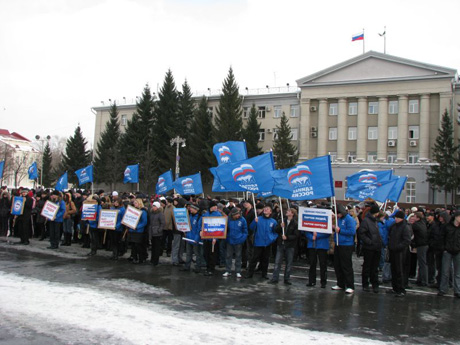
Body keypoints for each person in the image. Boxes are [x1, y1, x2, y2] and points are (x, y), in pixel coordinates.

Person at [246, 205, 278, 280]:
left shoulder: (273, 221)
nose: (266, 210)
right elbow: (251, 228)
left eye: (268, 209)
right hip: (258, 242)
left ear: (270, 212)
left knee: (265, 260)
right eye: (265, 209)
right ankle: (249, 274)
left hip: (267, 244)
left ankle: (264, 274)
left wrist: (272, 238)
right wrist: (254, 222)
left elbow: (275, 232)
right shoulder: (258, 219)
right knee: (254, 259)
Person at [331, 203, 357, 294]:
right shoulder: (338, 219)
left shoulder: (349, 219)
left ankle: (350, 285)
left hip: (346, 245)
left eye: (338, 213)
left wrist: (340, 231)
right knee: (337, 265)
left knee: (346, 266)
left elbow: (352, 231)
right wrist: (334, 228)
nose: (337, 215)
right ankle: (340, 283)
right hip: (338, 244)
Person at [269, 208, 298, 285]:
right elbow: (276, 230)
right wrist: (280, 226)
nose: (286, 212)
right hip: (281, 244)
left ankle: (287, 278)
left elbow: (296, 235)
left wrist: (287, 237)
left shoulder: (295, 223)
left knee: (289, 263)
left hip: (290, 245)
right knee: (277, 262)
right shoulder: (282, 221)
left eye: (288, 211)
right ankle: (275, 278)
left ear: (292, 213)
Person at [358, 204, 383, 293]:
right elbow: (362, 233)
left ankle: (374, 284)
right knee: (367, 267)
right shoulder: (366, 221)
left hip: (377, 247)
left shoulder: (376, 221)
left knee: (374, 267)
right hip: (369, 247)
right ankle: (365, 284)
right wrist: (369, 241)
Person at [388, 210, 412, 297]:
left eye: (398, 218)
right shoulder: (394, 226)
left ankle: (401, 289)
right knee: (393, 270)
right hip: (393, 251)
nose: (396, 219)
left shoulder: (405, 227)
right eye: (395, 218)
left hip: (401, 252)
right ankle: (395, 288)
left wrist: (398, 247)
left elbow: (407, 240)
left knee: (400, 270)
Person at [438, 211, 460, 298]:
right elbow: (441, 238)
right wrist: (444, 249)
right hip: (448, 251)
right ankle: (443, 289)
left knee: (457, 273)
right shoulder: (447, 227)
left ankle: (457, 290)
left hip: (458, 251)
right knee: (445, 271)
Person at [223, 207, 248, 279]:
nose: (238, 215)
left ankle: (238, 271)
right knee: (228, 256)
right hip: (230, 240)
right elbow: (224, 229)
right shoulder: (228, 219)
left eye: (239, 214)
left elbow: (245, 231)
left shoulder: (242, 220)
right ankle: (228, 270)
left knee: (238, 256)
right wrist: (226, 237)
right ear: (233, 215)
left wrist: (242, 239)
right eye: (237, 214)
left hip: (239, 241)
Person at [201, 201, 223, 276]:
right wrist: (200, 231)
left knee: (212, 254)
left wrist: (216, 238)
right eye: (214, 206)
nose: (215, 207)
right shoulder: (205, 214)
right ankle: (207, 267)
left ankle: (211, 269)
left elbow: (220, 226)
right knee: (206, 253)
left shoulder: (218, 215)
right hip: (206, 237)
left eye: (216, 206)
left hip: (213, 238)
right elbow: (201, 224)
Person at [181, 204, 204, 273]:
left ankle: (198, 267)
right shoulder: (190, 216)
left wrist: (196, 239)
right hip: (189, 237)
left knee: (197, 254)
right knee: (188, 253)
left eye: (192, 208)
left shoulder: (199, 217)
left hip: (195, 239)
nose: (190, 209)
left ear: (196, 209)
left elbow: (199, 229)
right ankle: (187, 266)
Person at [127, 198, 148, 264]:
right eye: (134, 203)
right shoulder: (134, 210)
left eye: (136, 203)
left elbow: (144, 222)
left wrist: (137, 227)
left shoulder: (143, 211)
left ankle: (141, 258)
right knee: (133, 245)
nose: (134, 204)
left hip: (138, 231)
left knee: (138, 245)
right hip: (132, 230)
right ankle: (134, 257)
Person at [412, 212, 429, 287]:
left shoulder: (416, 225)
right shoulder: (423, 223)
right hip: (424, 244)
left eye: (414, 216)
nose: (413, 218)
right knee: (422, 263)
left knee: (422, 263)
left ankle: (424, 281)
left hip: (421, 245)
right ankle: (420, 279)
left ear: (418, 218)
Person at [427, 211, 444, 288]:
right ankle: (436, 280)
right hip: (435, 247)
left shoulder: (435, 226)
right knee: (436, 265)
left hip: (438, 248)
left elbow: (435, 236)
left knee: (438, 265)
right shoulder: (435, 225)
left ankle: (436, 280)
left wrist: (432, 244)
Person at [148, 201, 165, 266]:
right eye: (153, 206)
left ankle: (155, 261)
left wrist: (159, 230)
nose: (153, 207)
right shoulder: (151, 213)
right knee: (153, 247)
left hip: (157, 233)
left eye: (154, 206)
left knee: (157, 247)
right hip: (152, 232)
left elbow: (163, 223)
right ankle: (152, 259)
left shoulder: (160, 214)